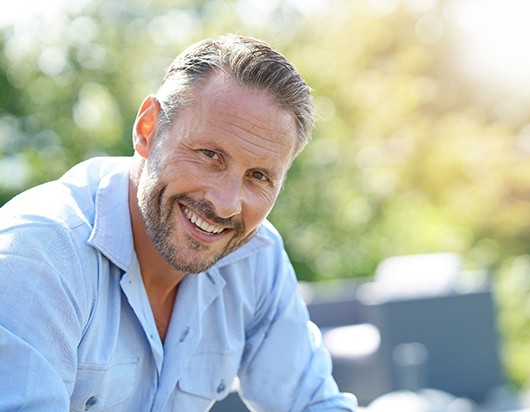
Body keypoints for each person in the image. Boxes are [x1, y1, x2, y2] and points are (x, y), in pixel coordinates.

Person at [0, 34, 357, 411]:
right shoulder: (39, 255)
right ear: (148, 129)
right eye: (209, 155)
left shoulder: (256, 258)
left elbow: (313, 403)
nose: (225, 204)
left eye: (258, 177)